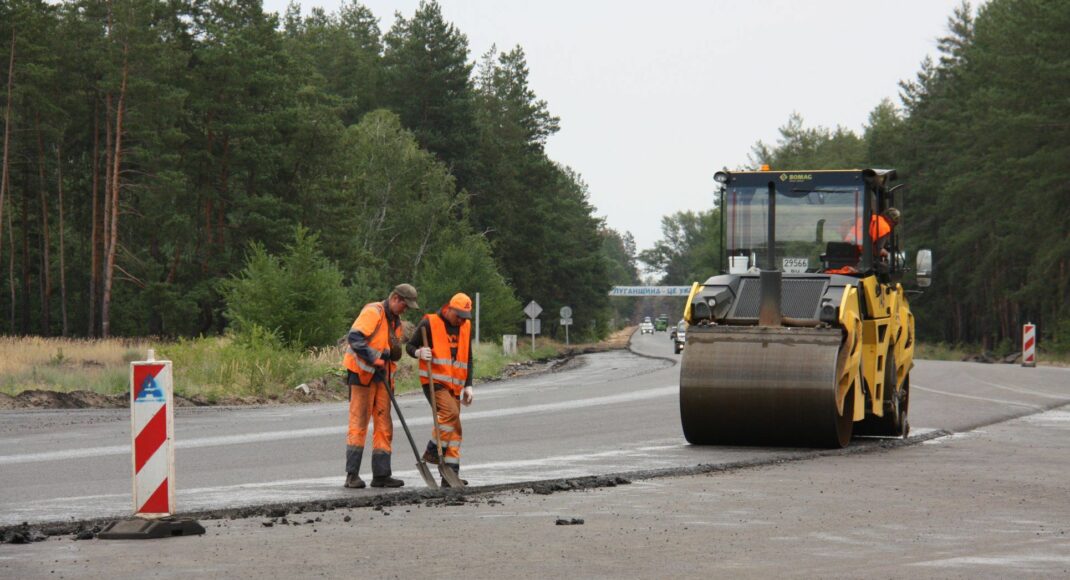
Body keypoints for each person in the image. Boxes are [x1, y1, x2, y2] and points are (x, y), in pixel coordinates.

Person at [341, 283, 419, 489]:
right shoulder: (373, 312)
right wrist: (373, 357)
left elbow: (391, 350)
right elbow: (355, 338)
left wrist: (390, 355)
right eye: (405, 305)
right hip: (362, 375)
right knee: (359, 423)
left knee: (384, 425)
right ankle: (352, 475)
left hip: (383, 378)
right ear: (395, 298)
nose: (405, 310)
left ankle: (382, 475)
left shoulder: (396, 322)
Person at [406, 292, 474, 486]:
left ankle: (450, 475)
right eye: (458, 315)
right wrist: (418, 352)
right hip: (434, 381)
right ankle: (432, 450)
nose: (461, 320)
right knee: (450, 413)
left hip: (456, 385)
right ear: (449, 308)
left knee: (455, 429)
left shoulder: (465, 326)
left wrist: (469, 384)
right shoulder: (430, 322)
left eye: (465, 317)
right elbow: (410, 346)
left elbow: (468, 357)